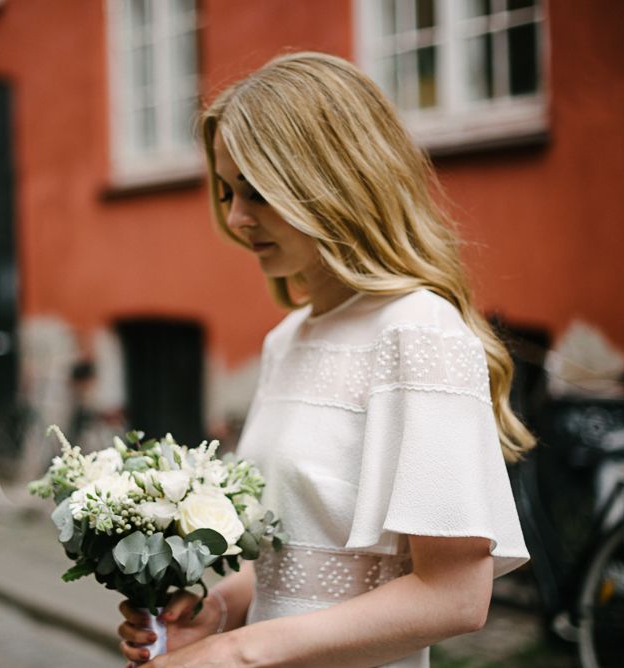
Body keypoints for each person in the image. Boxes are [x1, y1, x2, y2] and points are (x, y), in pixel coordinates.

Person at [118, 51, 534, 668]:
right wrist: (219, 613)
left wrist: (239, 652)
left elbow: (454, 597)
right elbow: (299, 562)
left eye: (258, 192)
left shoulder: (419, 329)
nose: (235, 218)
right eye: (229, 190)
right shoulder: (285, 339)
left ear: (332, 180)